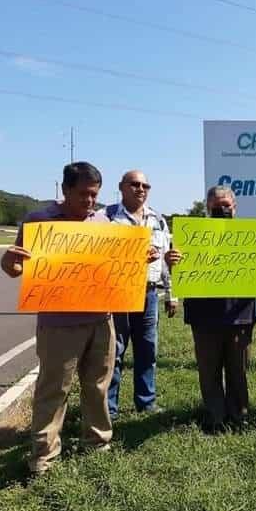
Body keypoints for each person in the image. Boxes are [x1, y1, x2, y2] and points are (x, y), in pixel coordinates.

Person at [0, 161, 116, 474]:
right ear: (64, 190)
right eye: (83, 194)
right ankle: (44, 456)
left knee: (98, 385)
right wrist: (11, 261)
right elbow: (14, 268)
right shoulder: (39, 221)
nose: (90, 201)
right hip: (59, 324)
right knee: (54, 388)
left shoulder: (104, 223)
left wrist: (140, 258)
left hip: (101, 320)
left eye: (94, 195)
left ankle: (97, 442)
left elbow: (116, 268)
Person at [165, 186, 256, 433]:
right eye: (216, 207)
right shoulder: (192, 237)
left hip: (240, 315)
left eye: (226, 206)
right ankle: (215, 417)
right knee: (209, 371)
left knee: (238, 370)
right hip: (204, 315)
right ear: (207, 209)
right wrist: (172, 263)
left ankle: (239, 415)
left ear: (235, 207)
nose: (222, 211)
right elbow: (178, 273)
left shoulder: (253, 238)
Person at [102, 170, 175, 419]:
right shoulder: (106, 217)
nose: (140, 189)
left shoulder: (158, 220)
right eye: (134, 184)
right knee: (115, 351)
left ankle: (146, 401)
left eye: (145, 185)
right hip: (118, 293)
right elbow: (97, 255)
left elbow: (167, 261)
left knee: (147, 350)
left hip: (149, 293)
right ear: (121, 187)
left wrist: (171, 295)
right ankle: (109, 408)